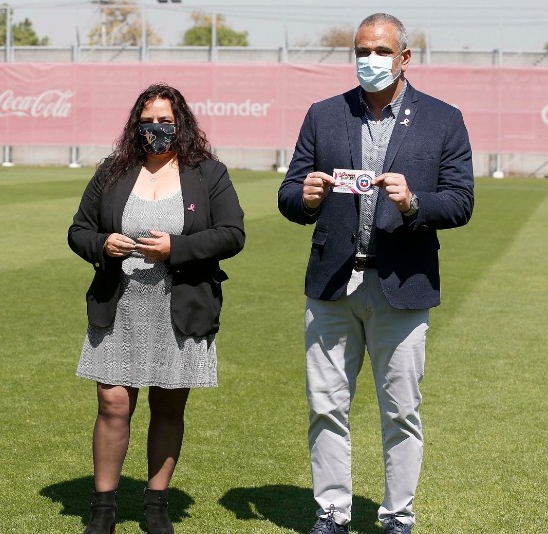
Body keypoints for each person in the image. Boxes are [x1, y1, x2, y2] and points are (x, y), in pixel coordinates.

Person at [277, 13, 474, 534]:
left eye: (383, 51)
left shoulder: (443, 119)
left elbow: (460, 201)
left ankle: (398, 516)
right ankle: (333, 512)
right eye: (362, 50)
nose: (371, 60)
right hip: (331, 286)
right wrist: (305, 198)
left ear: (405, 58)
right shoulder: (323, 114)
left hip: (403, 286)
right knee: (326, 407)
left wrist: (413, 204)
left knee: (401, 412)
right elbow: (289, 194)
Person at [68, 83, 245, 534]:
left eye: (166, 120)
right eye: (149, 120)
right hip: (119, 302)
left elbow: (232, 234)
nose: (157, 129)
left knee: (168, 405)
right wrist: (102, 244)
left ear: (181, 123)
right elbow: (79, 230)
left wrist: (177, 248)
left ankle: (156, 504)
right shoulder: (113, 171)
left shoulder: (208, 173)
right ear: (136, 124)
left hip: (180, 304)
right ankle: (103, 508)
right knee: (112, 403)